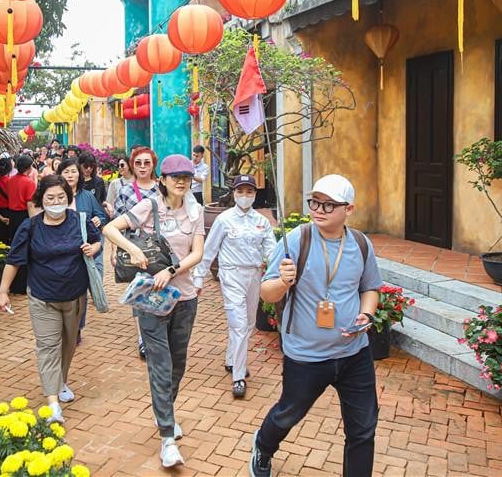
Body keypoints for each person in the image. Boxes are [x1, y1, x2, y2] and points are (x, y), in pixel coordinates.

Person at [249, 174, 382, 477]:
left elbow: (370, 287)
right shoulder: (298, 239)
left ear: (348, 209)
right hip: (307, 355)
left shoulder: (361, 244)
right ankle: (263, 446)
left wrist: (367, 314)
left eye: (329, 204)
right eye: (315, 202)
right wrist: (283, 282)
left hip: (354, 353)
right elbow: (266, 293)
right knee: (288, 414)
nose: (319, 209)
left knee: (363, 429)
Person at [103, 154, 205, 469]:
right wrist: (133, 250)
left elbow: (198, 253)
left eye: (186, 177)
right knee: (160, 365)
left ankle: (166, 414)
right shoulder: (150, 206)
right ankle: (167, 439)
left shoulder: (196, 210)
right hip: (150, 298)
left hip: (184, 297)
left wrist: (171, 271)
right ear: (162, 179)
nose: (181, 181)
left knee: (178, 364)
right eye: (175, 176)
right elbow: (111, 229)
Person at [0, 175, 102, 424]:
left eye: (61, 197)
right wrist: (3, 291)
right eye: (51, 197)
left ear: (69, 198)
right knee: (47, 347)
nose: (56, 202)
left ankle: (60, 380)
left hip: (75, 297)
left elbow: (97, 240)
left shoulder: (80, 220)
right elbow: (14, 260)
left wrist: (92, 249)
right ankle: (53, 403)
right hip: (42, 297)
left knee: (68, 344)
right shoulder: (31, 227)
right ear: (41, 200)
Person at [194, 174, 275, 398]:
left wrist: (281, 266)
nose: (245, 196)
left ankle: (231, 359)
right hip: (231, 275)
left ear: (255, 195)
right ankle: (238, 376)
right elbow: (209, 250)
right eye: (241, 192)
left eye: (250, 192)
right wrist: (199, 277)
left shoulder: (262, 221)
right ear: (234, 194)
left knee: (248, 323)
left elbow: (271, 251)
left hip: (254, 275)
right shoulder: (224, 219)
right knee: (239, 325)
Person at [113, 146, 161, 360]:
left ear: (153, 165)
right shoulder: (125, 191)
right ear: (133, 165)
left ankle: (158, 334)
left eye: (147, 163)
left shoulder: (162, 189)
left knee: (159, 288)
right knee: (138, 290)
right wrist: (115, 250)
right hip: (135, 248)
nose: (142, 167)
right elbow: (117, 223)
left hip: (159, 248)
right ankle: (142, 338)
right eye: (138, 163)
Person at [56, 158, 109, 343]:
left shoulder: (87, 196)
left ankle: (77, 327)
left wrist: (98, 220)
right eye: (66, 172)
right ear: (60, 175)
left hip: (84, 251)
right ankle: (62, 326)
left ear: (79, 174)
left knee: (80, 294)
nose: (70, 175)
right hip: (60, 251)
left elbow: (101, 215)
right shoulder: (56, 196)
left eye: (73, 172)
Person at [5, 155, 37, 293]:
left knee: (15, 248)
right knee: (26, 250)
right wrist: (34, 223)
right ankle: (23, 285)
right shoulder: (29, 182)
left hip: (12, 216)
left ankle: (14, 284)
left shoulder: (10, 181)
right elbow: (30, 205)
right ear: (29, 168)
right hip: (24, 216)